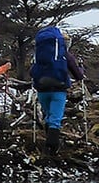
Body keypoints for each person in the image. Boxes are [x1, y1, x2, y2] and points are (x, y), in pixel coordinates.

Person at [29, 26, 85, 155]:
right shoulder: (65, 55)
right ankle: (52, 150)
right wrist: (81, 70)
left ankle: (47, 147)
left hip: (42, 89)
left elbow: (32, 72)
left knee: (48, 116)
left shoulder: (39, 54)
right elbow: (78, 75)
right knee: (55, 119)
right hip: (58, 89)